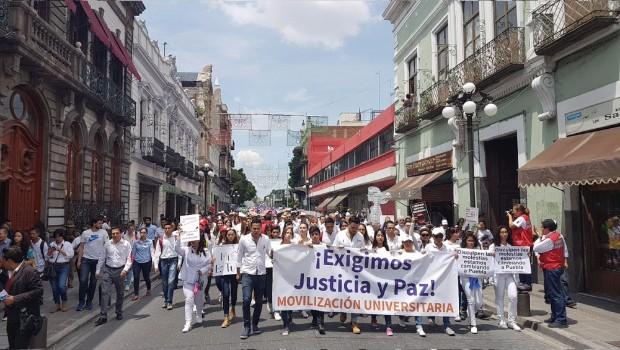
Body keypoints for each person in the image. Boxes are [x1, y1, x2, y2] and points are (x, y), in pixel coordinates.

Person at [1, 246, 44, 349]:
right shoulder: (5, 272)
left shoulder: (29, 272)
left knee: (20, 346)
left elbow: (38, 291)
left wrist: (15, 299)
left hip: (25, 318)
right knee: (13, 345)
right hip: (11, 316)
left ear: (10, 261)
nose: (2, 262)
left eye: (3, 260)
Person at [236, 217, 271, 339]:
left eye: (258, 228)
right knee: (246, 299)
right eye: (254, 228)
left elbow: (270, 253)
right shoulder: (244, 239)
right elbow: (239, 255)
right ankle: (246, 326)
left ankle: (255, 324)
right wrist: (238, 272)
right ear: (250, 228)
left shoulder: (266, 239)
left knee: (259, 301)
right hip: (247, 274)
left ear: (261, 228)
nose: (256, 230)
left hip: (261, 274)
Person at [533, 219, 568, 328]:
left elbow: (536, 247)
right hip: (554, 267)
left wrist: (539, 237)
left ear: (547, 228)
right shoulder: (558, 236)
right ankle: (555, 316)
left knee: (556, 294)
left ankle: (560, 319)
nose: (541, 229)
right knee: (553, 294)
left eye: (542, 227)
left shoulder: (550, 240)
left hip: (552, 268)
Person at [333, 216, 365, 334]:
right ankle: (343, 311)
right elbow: (332, 250)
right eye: (352, 227)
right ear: (348, 225)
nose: (354, 230)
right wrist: (338, 249)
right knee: (343, 294)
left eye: (356, 228)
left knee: (355, 296)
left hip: (355, 272)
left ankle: (354, 322)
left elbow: (362, 253)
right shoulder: (340, 235)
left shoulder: (360, 237)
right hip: (342, 270)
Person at [94, 227, 132, 326]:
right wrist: (98, 270)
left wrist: (125, 270)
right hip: (108, 270)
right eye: (113, 234)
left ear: (121, 234)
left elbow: (129, 258)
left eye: (116, 233)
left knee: (120, 293)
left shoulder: (126, 244)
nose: (115, 235)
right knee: (104, 291)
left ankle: (118, 311)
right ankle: (103, 315)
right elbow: (102, 257)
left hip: (120, 270)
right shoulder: (107, 244)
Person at [176, 233, 212, 333]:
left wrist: (203, 270)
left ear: (199, 240)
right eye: (191, 240)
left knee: (199, 299)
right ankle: (188, 323)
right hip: (188, 279)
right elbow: (177, 249)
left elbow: (209, 264)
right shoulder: (186, 250)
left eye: (195, 240)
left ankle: (199, 314)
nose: (193, 242)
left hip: (200, 280)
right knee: (189, 299)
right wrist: (179, 237)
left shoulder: (206, 251)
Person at [425, 228, 456, 336]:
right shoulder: (428, 247)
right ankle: (431, 316)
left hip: (444, 278)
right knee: (432, 298)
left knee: (445, 300)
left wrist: (455, 256)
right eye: (436, 236)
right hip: (431, 277)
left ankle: (446, 325)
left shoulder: (448, 248)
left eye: (440, 236)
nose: (438, 239)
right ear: (432, 237)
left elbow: (454, 258)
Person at [489, 226, 521, 331]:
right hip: (498, 276)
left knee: (513, 296)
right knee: (500, 298)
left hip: (509, 275)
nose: (504, 234)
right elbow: (488, 261)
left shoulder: (511, 247)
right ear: (498, 234)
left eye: (506, 232)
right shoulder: (493, 246)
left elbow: (516, 263)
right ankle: (501, 320)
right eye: (502, 232)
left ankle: (511, 321)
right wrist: (492, 255)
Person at [77, 217, 109, 311]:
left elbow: (107, 245)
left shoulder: (103, 233)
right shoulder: (85, 233)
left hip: (98, 261)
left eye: (101, 223)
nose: (101, 225)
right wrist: (79, 260)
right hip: (86, 259)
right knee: (83, 281)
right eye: (99, 223)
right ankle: (81, 302)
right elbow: (81, 247)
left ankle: (89, 302)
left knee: (93, 282)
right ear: (94, 223)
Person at [458, 232, 483, 334]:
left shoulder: (478, 251)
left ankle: (470, 314)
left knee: (478, 302)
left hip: (476, 278)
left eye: (472, 241)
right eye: (469, 240)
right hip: (465, 278)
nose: (471, 242)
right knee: (471, 299)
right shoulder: (461, 251)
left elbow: (485, 262)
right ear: (465, 242)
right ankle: (473, 323)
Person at [370, 229, 393, 336]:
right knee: (374, 300)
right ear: (375, 237)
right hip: (373, 279)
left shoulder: (388, 250)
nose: (380, 237)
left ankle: (388, 325)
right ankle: (373, 318)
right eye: (378, 235)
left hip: (385, 280)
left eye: (382, 235)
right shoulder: (371, 249)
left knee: (386, 302)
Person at [153, 223, 180, 310]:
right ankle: (165, 300)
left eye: (169, 228)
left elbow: (179, 250)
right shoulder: (161, 239)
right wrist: (156, 265)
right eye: (165, 228)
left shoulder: (176, 238)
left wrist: (179, 263)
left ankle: (169, 302)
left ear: (172, 229)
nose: (167, 229)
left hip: (173, 260)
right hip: (163, 261)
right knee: (164, 282)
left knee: (171, 281)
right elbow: (157, 253)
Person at [46, 229, 74, 312]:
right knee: (54, 288)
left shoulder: (67, 244)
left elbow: (70, 255)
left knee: (61, 286)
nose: (57, 238)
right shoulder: (51, 244)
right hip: (53, 266)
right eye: (56, 237)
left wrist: (60, 250)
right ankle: (57, 304)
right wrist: (50, 251)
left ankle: (64, 301)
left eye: (59, 236)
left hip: (63, 266)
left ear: (63, 236)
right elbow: (47, 257)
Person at [507, 204, 533, 291]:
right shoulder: (525, 217)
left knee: (524, 265)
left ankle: (527, 283)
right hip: (524, 245)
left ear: (519, 211)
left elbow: (511, 226)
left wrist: (510, 217)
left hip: (523, 245)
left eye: (514, 211)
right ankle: (523, 282)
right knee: (523, 264)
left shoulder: (522, 218)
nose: (513, 212)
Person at [217, 229, 239, 328]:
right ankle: (226, 317)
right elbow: (218, 257)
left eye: (232, 234)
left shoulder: (238, 246)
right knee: (226, 294)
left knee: (234, 293)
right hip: (224, 273)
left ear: (235, 235)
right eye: (228, 235)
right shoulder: (222, 246)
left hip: (234, 273)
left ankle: (233, 308)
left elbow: (241, 259)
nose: (230, 236)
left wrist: (239, 272)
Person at [307, 225, 326, 334]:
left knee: (321, 300)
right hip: (310, 277)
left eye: (316, 234)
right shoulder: (307, 246)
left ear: (319, 235)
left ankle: (320, 322)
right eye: (313, 234)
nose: (315, 236)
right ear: (310, 236)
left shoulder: (324, 246)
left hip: (322, 278)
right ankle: (315, 319)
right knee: (312, 300)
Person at [277, 227, 294, 335]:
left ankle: (289, 316)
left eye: (290, 233)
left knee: (290, 301)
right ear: (283, 234)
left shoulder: (295, 246)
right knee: (283, 302)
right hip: (281, 277)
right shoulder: (278, 247)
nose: (288, 235)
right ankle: (286, 326)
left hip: (292, 277)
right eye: (286, 233)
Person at [131, 228, 153, 301]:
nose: (143, 234)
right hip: (137, 262)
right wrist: (131, 262)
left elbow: (152, 251)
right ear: (139, 233)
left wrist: (153, 262)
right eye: (141, 232)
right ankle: (136, 294)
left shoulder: (150, 241)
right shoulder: (136, 242)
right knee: (136, 277)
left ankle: (149, 289)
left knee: (146, 277)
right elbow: (133, 253)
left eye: (144, 232)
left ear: (147, 233)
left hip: (146, 261)